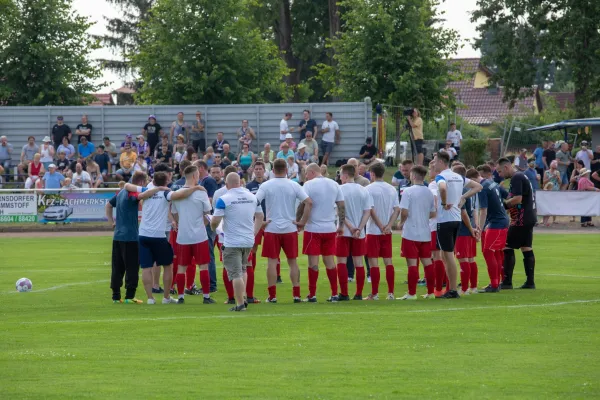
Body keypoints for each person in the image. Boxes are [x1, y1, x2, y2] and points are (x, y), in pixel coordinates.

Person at [255, 158, 313, 303]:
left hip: (272, 228)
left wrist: (260, 222)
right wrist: (302, 222)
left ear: (272, 171)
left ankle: (273, 296)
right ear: (286, 170)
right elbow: (309, 202)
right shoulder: (293, 185)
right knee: (292, 262)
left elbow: (254, 202)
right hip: (289, 228)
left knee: (272, 262)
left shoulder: (266, 185)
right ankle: (296, 294)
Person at [211, 172, 264, 311]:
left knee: (235, 273)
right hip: (248, 240)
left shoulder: (224, 199)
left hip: (232, 241)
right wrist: (254, 232)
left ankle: (240, 303)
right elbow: (260, 216)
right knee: (243, 269)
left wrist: (212, 226)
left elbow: (216, 220)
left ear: (227, 185)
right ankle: (244, 297)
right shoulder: (253, 197)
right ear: (240, 182)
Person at [105, 171, 161, 303]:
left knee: (117, 267)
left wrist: (111, 221)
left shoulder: (120, 193)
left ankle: (116, 296)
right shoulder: (132, 193)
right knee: (132, 267)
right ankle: (129, 296)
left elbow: (108, 205)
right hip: (130, 237)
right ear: (141, 182)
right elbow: (143, 196)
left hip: (118, 236)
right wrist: (158, 189)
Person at [434, 151, 482, 299]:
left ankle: (453, 289)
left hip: (445, 219)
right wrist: (463, 197)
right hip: (456, 219)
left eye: (435, 161)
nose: (434, 164)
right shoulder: (458, 176)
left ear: (442, 162)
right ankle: (451, 288)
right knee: (445, 254)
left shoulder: (441, 176)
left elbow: (442, 188)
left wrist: (443, 202)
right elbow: (478, 186)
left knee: (448, 256)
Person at [299, 163, 345, 302]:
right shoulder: (334, 184)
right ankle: (334, 293)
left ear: (312, 172)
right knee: (330, 261)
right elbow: (341, 206)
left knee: (313, 262)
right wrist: (340, 225)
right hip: (329, 228)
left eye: (307, 173)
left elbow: (304, 204)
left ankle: (312, 294)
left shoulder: (308, 185)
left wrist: (300, 221)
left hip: (314, 228)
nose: (305, 176)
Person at [170, 165, 214, 304]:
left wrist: (182, 223)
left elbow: (175, 214)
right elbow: (208, 214)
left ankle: (181, 296)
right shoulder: (201, 192)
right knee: (203, 265)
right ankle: (206, 296)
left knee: (182, 266)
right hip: (199, 235)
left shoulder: (177, 194)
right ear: (195, 176)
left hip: (183, 235)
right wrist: (201, 225)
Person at [465, 168, 509, 293]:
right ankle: (498, 281)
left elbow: (483, 210)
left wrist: (480, 227)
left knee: (488, 251)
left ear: (472, 180)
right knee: (496, 252)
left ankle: (494, 284)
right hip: (501, 220)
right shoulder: (492, 183)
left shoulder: (482, 187)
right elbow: (506, 195)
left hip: (496, 223)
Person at [497, 157, 537, 289]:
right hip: (529, 217)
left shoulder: (517, 177)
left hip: (521, 218)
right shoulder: (522, 176)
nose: (500, 175)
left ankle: (507, 282)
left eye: (500, 171)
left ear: (506, 167)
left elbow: (518, 199)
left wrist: (503, 206)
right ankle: (530, 282)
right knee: (526, 247)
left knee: (506, 246)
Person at [398, 165, 436, 300]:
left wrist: (401, 222)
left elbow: (404, 211)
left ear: (413, 176)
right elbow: (433, 212)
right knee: (427, 262)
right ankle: (431, 292)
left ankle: (412, 293)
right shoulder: (429, 192)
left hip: (410, 233)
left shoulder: (408, 191)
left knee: (412, 263)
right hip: (425, 232)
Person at [335, 164, 372, 300]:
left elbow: (339, 211)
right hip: (359, 232)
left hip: (344, 231)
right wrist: (359, 228)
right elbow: (367, 211)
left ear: (344, 175)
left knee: (341, 261)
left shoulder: (339, 189)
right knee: (359, 262)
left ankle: (344, 293)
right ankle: (358, 293)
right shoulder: (363, 190)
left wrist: (350, 227)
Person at [365, 162, 400, 300]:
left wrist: (380, 225)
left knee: (373, 262)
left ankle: (375, 293)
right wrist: (388, 226)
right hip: (387, 231)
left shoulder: (369, 188)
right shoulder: (391, 189)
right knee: (388, 261)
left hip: (374, 230)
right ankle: (391, 293)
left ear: (372, 174)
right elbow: (397, 209)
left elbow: (370, 209)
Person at [452, 165, 480, 296]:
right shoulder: (470, 190)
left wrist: (470, 228)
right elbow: (474, 210)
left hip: (463, 229)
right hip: (469, 229)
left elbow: (463, 213)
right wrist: (475, 227)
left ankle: (464, 289)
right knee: (470, 259)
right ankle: (473, 287)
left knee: (463, 260)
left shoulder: (461, 191)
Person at [246, 161, 270, 299]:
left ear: (264, 170)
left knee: (273, 250)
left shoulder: (269, 184)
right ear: (253, 171)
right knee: (253, 248)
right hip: (256, 221)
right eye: (257, 169)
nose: (259, 171)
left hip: (270, 221)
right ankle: (251, 272)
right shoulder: (249, 186)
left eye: (261, 169)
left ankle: (277, 276)